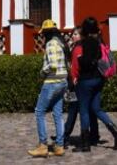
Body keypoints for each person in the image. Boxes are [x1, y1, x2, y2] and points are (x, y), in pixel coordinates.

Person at [69, 16, 117, 152]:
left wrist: (74, 78)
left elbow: (76, 66)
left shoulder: (80, 45)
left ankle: (85, 144)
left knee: (84, 111)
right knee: (96, 109)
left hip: (85, 81)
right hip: (99, 80)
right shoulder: (99, 43)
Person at [28, 19, 68, 158]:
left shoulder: (51, 44)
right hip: (63, 81)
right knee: (57, 113)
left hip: (52, 81)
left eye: (43, 33)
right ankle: (59, 146)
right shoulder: (61, 43)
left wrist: (41, 73)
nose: (42, 36)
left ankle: (43, 145)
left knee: (39, 111)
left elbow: (52, 65)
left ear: (46, 33)